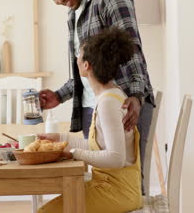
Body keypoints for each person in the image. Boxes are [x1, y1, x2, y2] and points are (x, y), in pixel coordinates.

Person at [35, 0, 154, 191]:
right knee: (102, 183)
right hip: (94, 108)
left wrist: (137, 96)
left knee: (128, 185)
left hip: (125, 104)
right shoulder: (73, 13)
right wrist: (59, 95)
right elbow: (87, 70)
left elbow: (131, 49)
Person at [38, 27, 142, 213]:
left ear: (86, 65)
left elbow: (116, 159)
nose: (76, 58)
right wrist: (61, 139)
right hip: (108, 187)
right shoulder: (110, 95)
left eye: (79, 54)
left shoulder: (108, 102)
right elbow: (99, 147)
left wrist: (73, 152)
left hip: (117, 192)